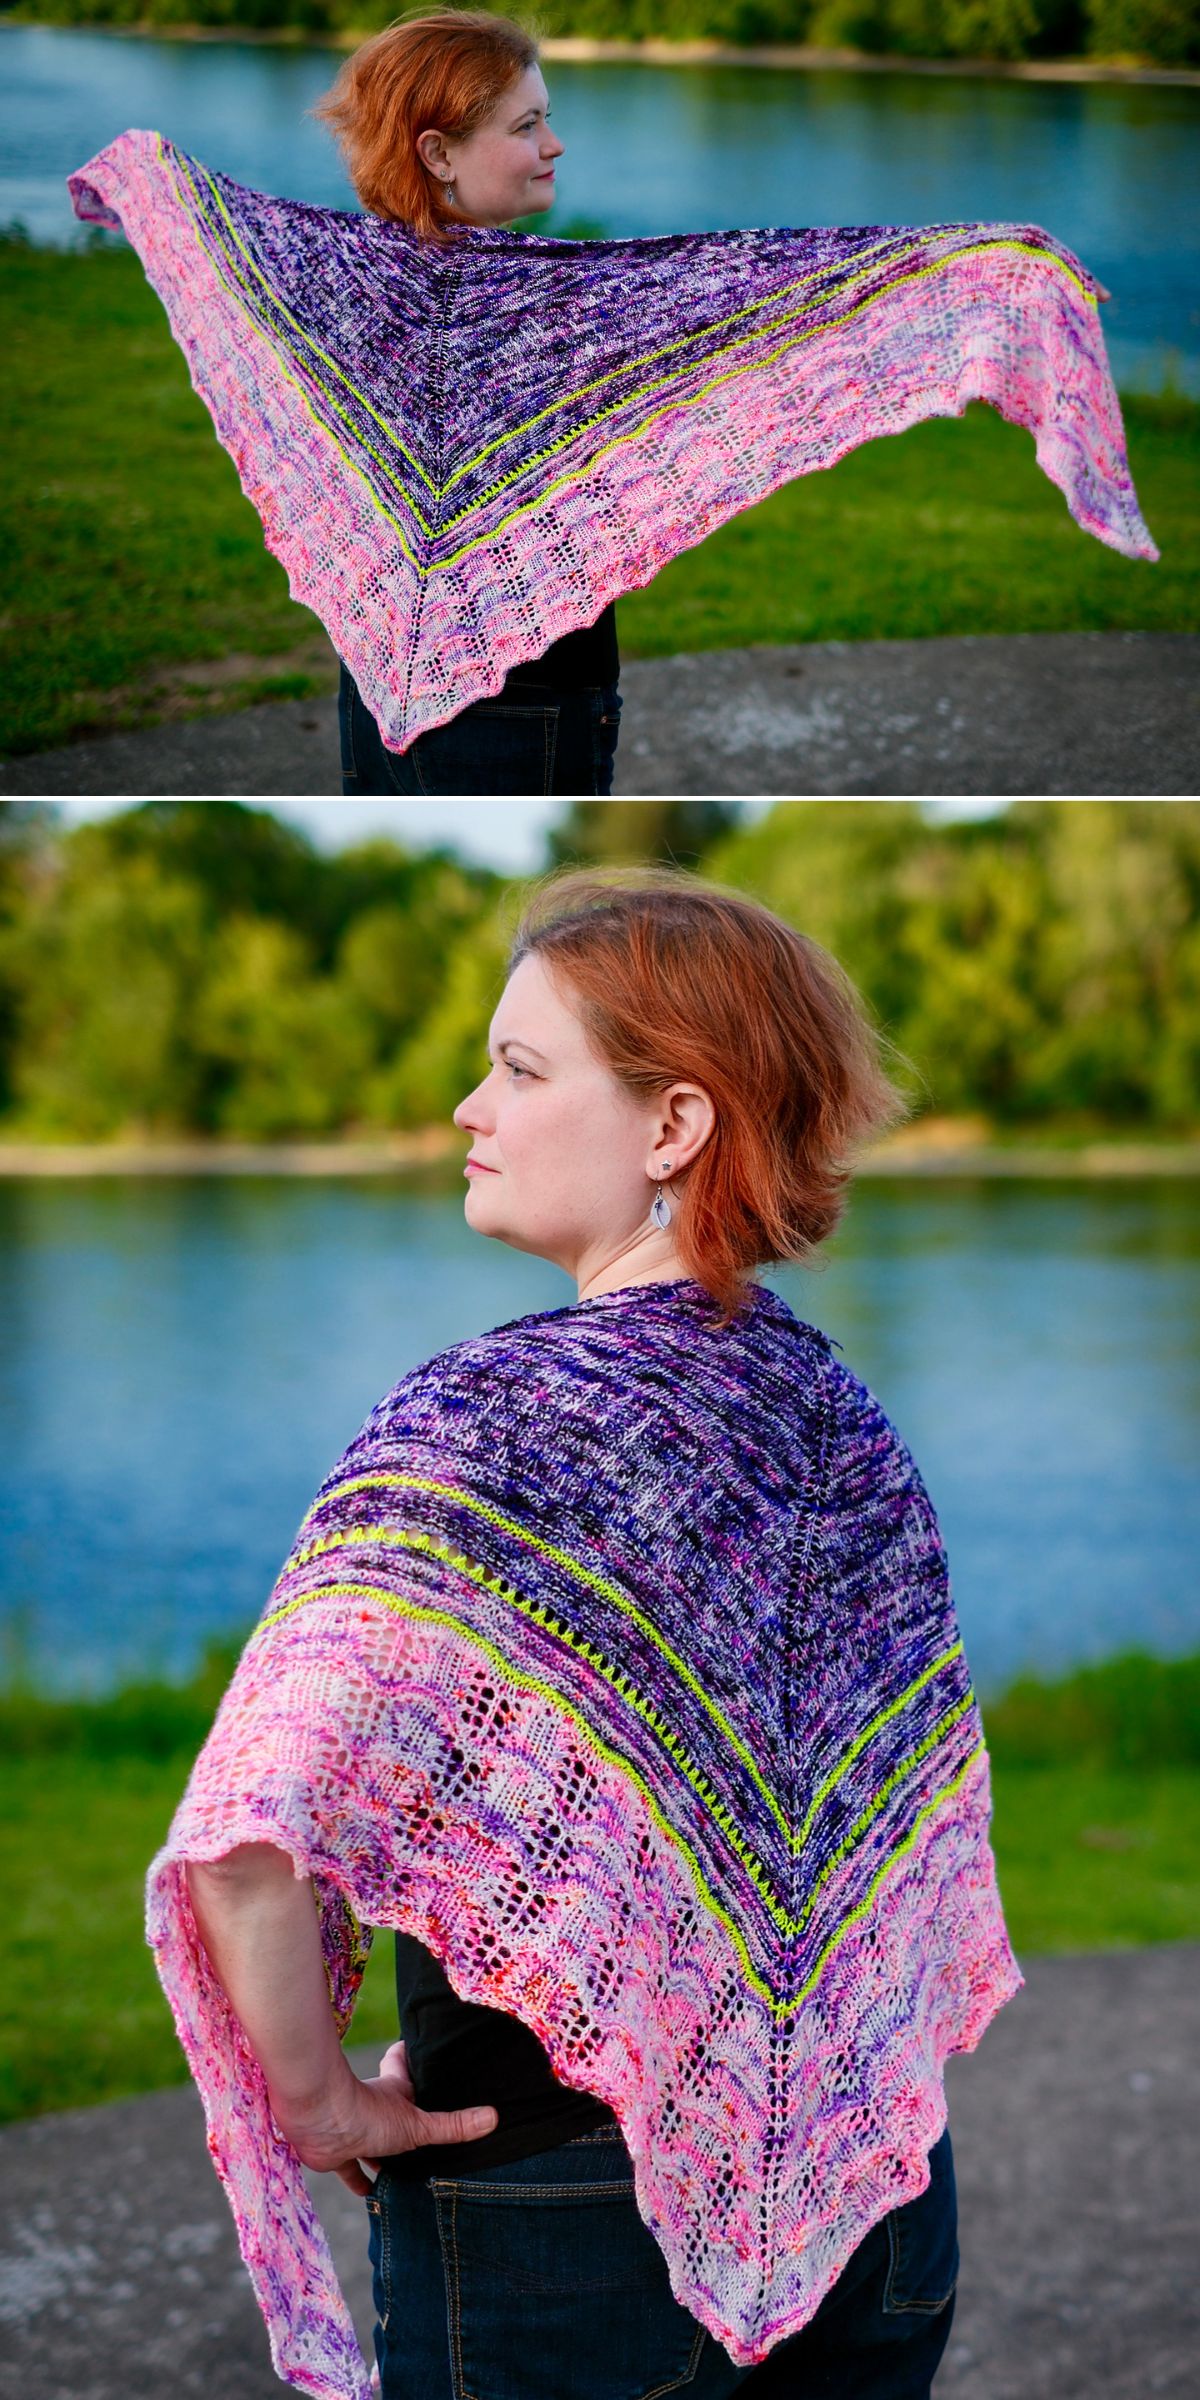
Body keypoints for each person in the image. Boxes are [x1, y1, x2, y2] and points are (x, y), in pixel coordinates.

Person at [163, 862, 1022, 2400]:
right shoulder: (838, 1424)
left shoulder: (472, 1421)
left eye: (516, 1067)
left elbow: (245, 1839)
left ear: (674, 1126)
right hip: (875, 2201)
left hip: (557, 2230)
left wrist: (319, 2104)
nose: (464, 1110)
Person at [313, 11, 624, 797]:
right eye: (527, 124)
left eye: (548, 118)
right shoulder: (575, 302)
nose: (554, 145)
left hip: (376, 683)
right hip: (523, 698)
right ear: (438, 152)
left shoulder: (342, 284)